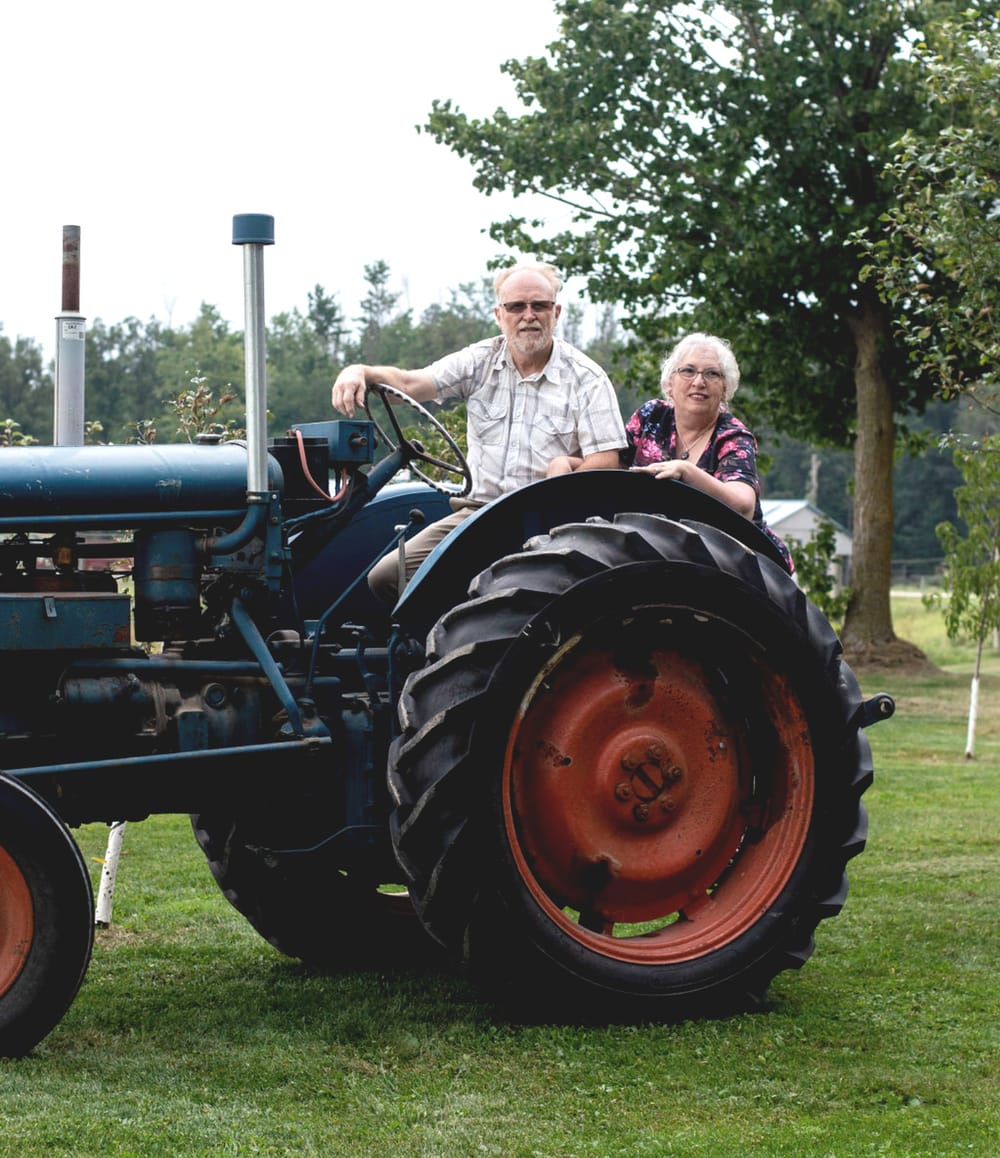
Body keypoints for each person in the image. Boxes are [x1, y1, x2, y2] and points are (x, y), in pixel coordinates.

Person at [331, 262, 627, 602]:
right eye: (517, 306)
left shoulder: (586, 378)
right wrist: (361, 372)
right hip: (480, 514)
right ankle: (442, 648)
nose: (528, 315)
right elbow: (411, 384)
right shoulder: (481, 361)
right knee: (388, 576)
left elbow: (605, 463)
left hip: (550, 522)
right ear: (499, 314)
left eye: (539, 306)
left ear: (555, 312)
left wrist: (564, 472)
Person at [620, 332, 794, 572]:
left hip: (737, 561)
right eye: (688, 371)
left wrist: (686, 472)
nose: (699, 382)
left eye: (712, 374)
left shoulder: (733, 437)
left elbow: (744, 506)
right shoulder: (651, 416)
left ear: (725, 389)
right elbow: (613, 464)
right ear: (670, 384)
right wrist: (570, 463)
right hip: (660, 549)